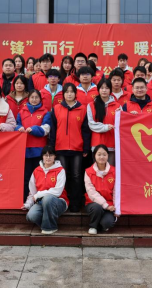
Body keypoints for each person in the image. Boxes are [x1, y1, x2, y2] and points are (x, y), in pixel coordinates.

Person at [48, 83, 91, 213]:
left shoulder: (82, 109)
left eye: (72, 91)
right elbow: (53, 130)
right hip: (60, 148)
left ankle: (75, 203)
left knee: (77, 175)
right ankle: (63, 201)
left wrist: (86, 147)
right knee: (63, 175)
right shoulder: (56, 108)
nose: (69, 94)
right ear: (63, 94)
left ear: (75, 94)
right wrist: (52, 147)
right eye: (67, 92)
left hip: (77, 148)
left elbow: (86, 130)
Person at [23, 146, 69, 235]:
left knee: (48, 198)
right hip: (41, 202)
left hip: (59, 201)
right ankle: (48, 222)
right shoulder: (37, 171)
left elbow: (57, 191)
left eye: (51, 155)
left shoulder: (60, 170)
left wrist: (39, 194)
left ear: (55, 156)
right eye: (45, 155)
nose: (48, 157)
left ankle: (49, 228)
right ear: (42, 156)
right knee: (31, 216)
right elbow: (32, 192)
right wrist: (28, 204)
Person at [16, 90, 52, 199]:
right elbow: (16, 125)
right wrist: (19, 128)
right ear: (28, 99)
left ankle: (38, 199)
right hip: (25, 149)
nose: (34, 99)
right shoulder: (22, 112)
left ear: (40, 99)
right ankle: (24, 199)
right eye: (32, 97)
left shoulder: (45, 112)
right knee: (26, 176)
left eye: (37, 97)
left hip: (39, 150)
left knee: (39, 176)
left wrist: (34, 129)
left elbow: (46, 129)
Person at [87, 80, 122, 165]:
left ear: (110, 90)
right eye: (102, 88)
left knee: (111, 169)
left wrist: (122, 114)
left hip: (112, 143)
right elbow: (91, 124)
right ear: (98, 90)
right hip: (97, 143)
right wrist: (105, 127)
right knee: (97, 169)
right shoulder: (91, 105)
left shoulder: (117, 106)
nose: (104, 90)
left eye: (107, 88)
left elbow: (121, 124)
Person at [84, 145, 117, 235]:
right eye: (99, 154)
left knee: (107, 223)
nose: (101, 157)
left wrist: (116, 208)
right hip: (93, 203)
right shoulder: (88, 172)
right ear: (94, 156)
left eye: (104, 154)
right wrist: (105, 205)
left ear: (108, 156)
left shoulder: (114, 171)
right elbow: (91, 192)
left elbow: (116, 191)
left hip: (110, 204)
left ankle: (102, 223)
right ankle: (93, 226)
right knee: (97, 207)